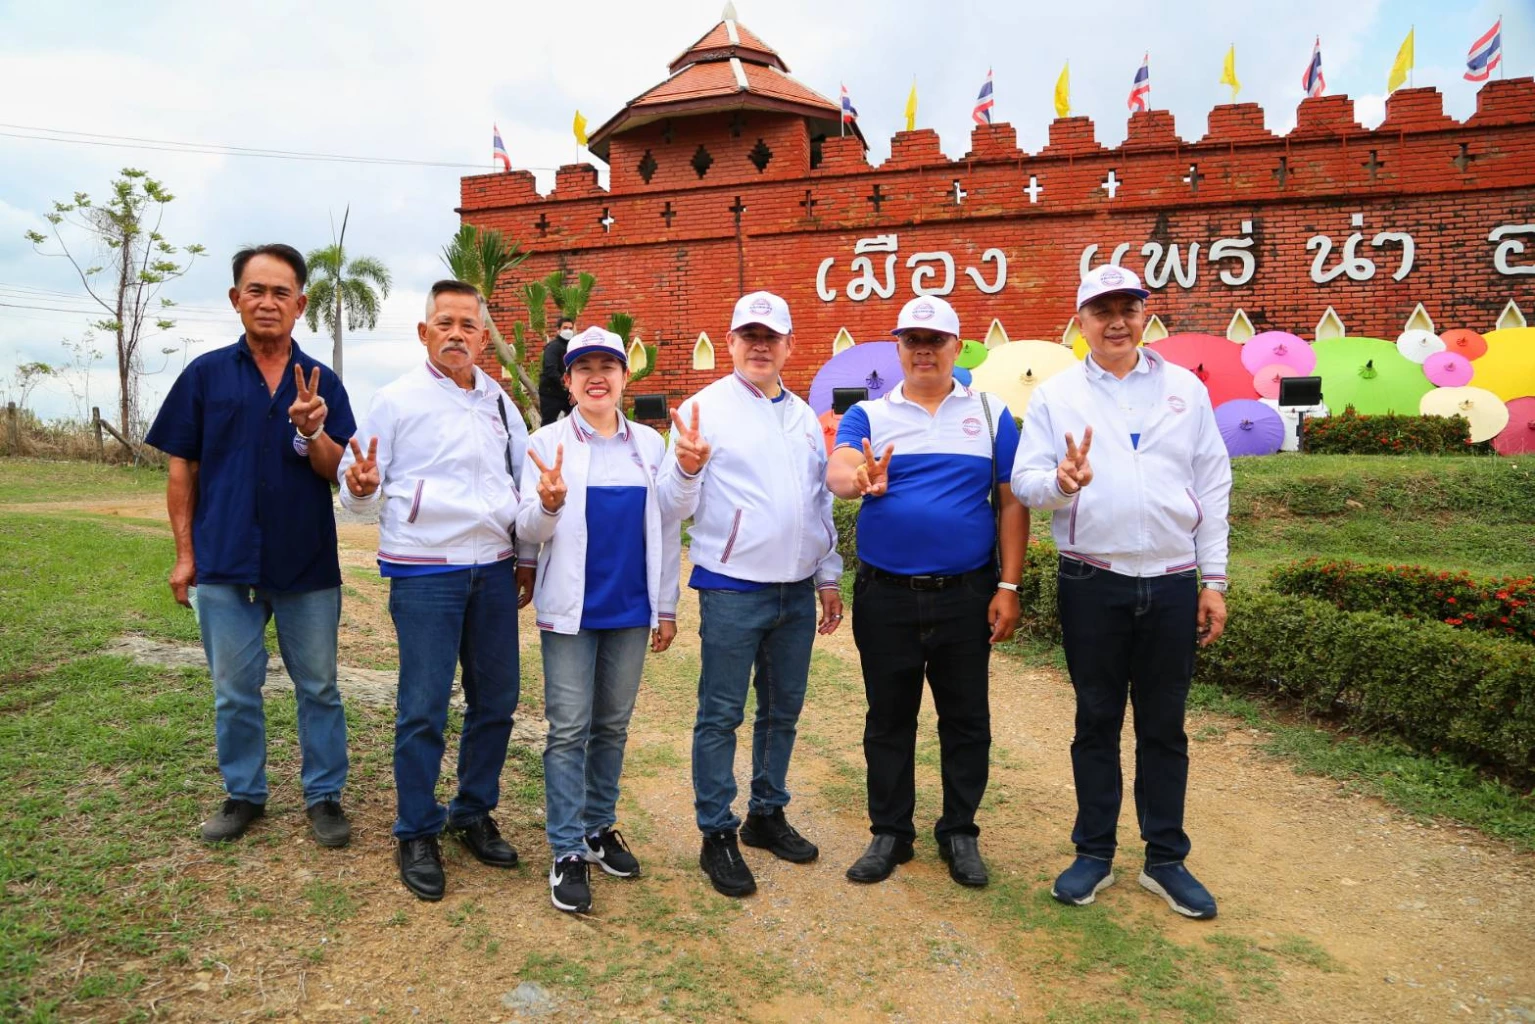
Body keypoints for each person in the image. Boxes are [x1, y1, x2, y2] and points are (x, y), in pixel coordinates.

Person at [1011, 264, 1231, 920]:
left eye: (1127, 308)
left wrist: (1212, 580)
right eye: (1100, 309)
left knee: (1164, 727)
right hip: (1090, 577)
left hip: (1169, 581)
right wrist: (1063, 481)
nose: (1114, 321)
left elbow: (1213, 485)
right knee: (1096, 720)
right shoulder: (1056, 396)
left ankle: (1164, 859)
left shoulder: (1184, 391)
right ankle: (1093, 852)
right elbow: (1025, 483)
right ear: (1079, 320)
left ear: (1144, 316)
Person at [145, 243, 356, 848]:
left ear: (301, 304)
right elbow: (182, 471)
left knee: (319, 686)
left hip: (306, 561)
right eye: (256, 291)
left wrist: (311, 429)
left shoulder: (322, 383)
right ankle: (244, 793)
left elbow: (337, 470)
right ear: (236, 299)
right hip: (224, 560)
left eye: (280, 292)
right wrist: (186, 555)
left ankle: (324, 796)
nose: (268, 302)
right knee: (235, 689)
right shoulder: (205, 376)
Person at [337, 279, 530, 902]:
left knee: (496, 700)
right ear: (424, 333)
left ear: (483, 337)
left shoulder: (499, 402)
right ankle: (416, 829)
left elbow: (525, 484)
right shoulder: (394, 400)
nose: (455, 333)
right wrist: (363, 487)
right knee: (423, 706)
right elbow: (356, 485)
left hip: (494, 569)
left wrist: (524, 556)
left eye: (467, 325)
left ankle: (472, 811)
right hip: (424, 570)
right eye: (443, 322)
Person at [827, 295, 1027, 888]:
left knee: (966, 718)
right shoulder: (869, 414)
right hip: (885, 594)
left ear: (954, 346)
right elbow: (839, 469)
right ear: (898, 347)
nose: (922, 350)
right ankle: (890, 832)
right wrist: (858, 478)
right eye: (911, 340)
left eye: (934, 340)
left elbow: (1011, 501)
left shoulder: (991, 414)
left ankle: (959, 831)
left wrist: (1009, 585)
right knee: (889, 717)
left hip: (965, 593)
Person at [657, 290, 844, 898]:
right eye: (748, 336)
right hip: (734, 586)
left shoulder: (801, 416)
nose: (759, 346)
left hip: (795, 589)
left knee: (782, 711)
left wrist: (828, 574)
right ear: (731, 342)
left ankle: (767, 812)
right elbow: (670, 505)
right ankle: (717, 832)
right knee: (721, 715)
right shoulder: (702, 410)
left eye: (772, 337)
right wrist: (685, 468)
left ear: (790, 345)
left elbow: (818, 502)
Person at [514, 326, 682, 914]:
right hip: (572, 610)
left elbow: (666, 527)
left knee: (611, 726)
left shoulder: (652, 447)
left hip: (632, 610)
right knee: (567, 729)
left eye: (607, 366)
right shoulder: (545, 442)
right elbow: (527, 532)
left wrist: (666, 607)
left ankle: (597, 826)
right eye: (583, 367)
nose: (596, 376)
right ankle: (565, 849)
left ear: (624, 379)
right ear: (568, 381)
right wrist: (549, 502)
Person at [539, 315, 578, 424]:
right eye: (565, 328)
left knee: (576, 421)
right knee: (549, 424)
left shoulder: (572, 347)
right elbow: (550, 370)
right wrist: (566, 384)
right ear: (558, 330)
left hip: (568, 393)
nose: (568, 331)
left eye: (570, 328)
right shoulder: (553, 347)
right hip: (551, 393)